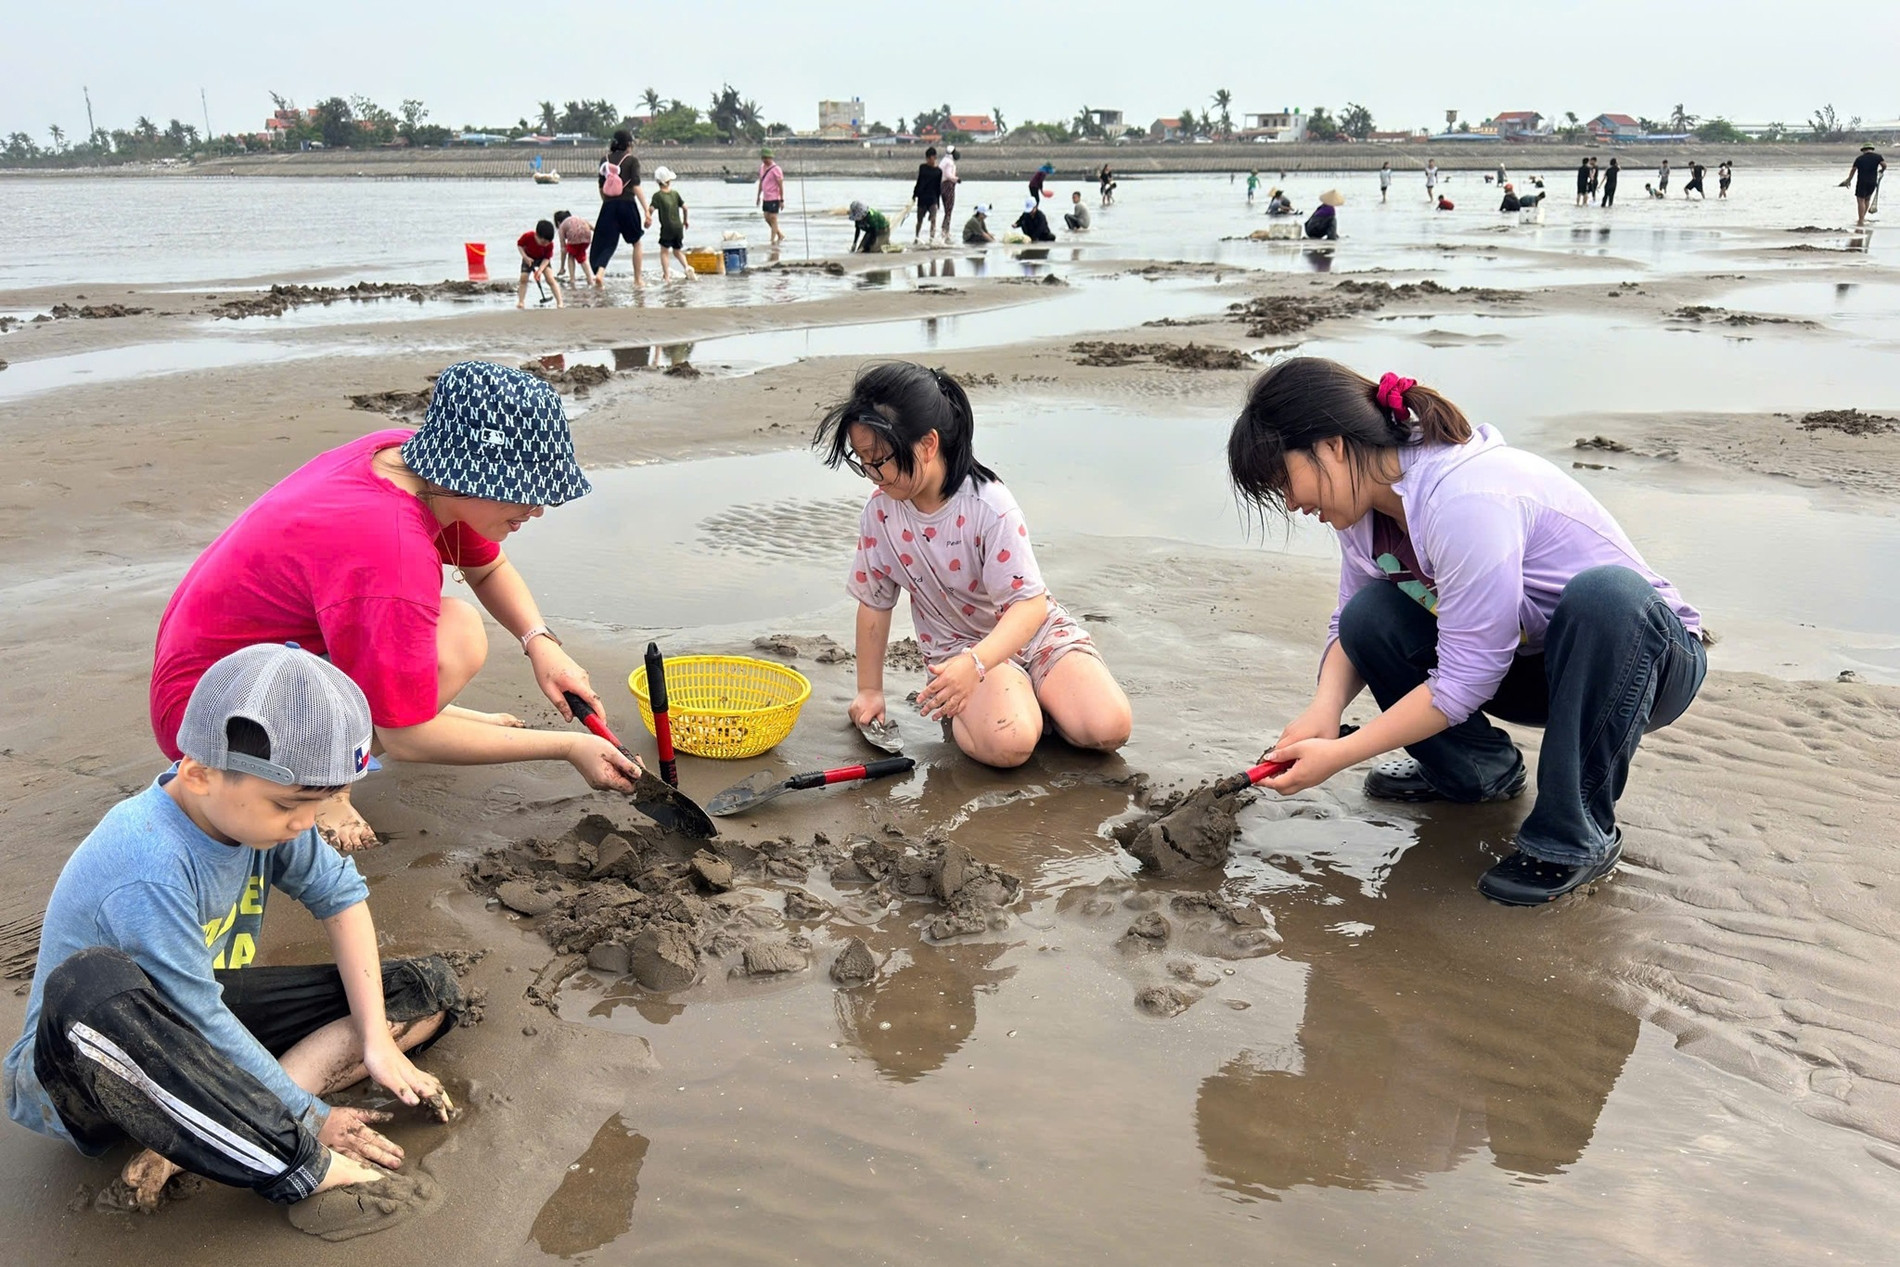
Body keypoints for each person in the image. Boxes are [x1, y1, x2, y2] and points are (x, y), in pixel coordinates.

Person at [7, 645, 469, 1231]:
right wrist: (310, 1115)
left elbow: (343, 900)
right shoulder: (147, 860)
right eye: (289, 805)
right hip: (92, 1069)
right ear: (199, 773)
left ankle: (200, 1131)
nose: (305, 824)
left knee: (422, 988)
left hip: (196, 1017)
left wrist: (377, 1042)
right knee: (92, 978)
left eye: (322, 802)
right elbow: (195, 1014)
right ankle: (293, 1159)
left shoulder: (268, 823)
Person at [1225, 359, 1705, 904]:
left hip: (1640, 667)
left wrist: (1342, 753)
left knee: (1605, 596)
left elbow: (1464, 680)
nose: (1290, 503)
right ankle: (1477, 772)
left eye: (1285, 480)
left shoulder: (1464, 498)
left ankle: (1574, 836)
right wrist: (1324, 711)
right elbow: (1350, 620)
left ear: (1332, 445)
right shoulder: (1362, 509)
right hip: (1529, 667)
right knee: (1371, 616)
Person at [150, 361, 640, 852]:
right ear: (472, 475)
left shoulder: (407, 459)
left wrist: (541, 645)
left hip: (253, 666)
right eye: (524, 492)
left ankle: (387, 719)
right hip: (216, 721)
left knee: (456, 628)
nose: (537, 509)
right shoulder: (390, 549)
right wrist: (571, 746)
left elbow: (488, 569)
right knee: (458, 638)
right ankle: (321, 786)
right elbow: (407, 738)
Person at [816, 362, 1132, 768]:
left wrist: (980, 663)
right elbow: (875, 603)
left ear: (928, 445)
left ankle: (1037, 695)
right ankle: (1015, 706)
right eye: (862, 461)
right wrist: (869, 691)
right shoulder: (882, 515)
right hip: (957, 651)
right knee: (1010, 743)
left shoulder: (989, 506)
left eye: (880, 460)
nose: (872, 476)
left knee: (1110, 727)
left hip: (1034, 638)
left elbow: (1031, 606)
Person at [589, 129, 649, 288]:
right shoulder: (632, 161)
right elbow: (636, 187)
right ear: (628, 144)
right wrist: (646, 211)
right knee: (636, 242)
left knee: (608, 243)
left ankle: (600, 274)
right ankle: (637, 280)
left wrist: (608, 202)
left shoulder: (604, 160)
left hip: (608, 206)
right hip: (627, 204)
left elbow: (601, 188)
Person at [647, 166, 694, 283]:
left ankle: (667, 277)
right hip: (678, 227)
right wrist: (685, 221)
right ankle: (687, 268)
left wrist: (647, 219)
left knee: (664, 251)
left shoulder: (657, 196)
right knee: (677, 251)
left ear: (658, 182)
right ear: (669, 181)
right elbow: (685, 208)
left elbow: (651, 209)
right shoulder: (675, 194)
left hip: (667, 228)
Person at [515, 219, 563, 309]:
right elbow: (519, 245)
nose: (545, 244)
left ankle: (560, 302)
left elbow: (547, 259)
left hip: (543, 259)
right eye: (543, 242)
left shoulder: (549, 244)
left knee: (550, 279)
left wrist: (540, 271)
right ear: (536, 235)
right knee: (523, 279)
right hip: (528, 257)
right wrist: (525, 257)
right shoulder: (528, 236)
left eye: (548, 242)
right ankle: (521, 302)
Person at [1843, 145, 1885, 225]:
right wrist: (1882, 170)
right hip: (1872, 182)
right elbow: (1884, 165)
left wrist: (1849, 180)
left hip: (1862, 182)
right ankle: (1863, 218)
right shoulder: (1878, 157)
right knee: (1867, 199)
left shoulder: (1859, 159)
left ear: (1863, 150)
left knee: (1860, 200)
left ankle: (1861, 220)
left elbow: (1853, 169)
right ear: (1872, 149)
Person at [911, 146, 944, 245]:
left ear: (934, 157)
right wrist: (914, 194)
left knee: (933, 219)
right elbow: (919, 181)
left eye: (931, 158)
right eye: (927, 158)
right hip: (922, 197)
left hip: (933, 198)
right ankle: (916, 238)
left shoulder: (939, 171)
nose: (929, 160)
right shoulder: (923, 167)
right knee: (919, 220)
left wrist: (938, 202)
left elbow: (938, 187)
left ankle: (931, 240)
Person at [552, 210, 592, 287]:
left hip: (575, 237)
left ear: (558, 223)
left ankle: (572, 279)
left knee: (571, 255)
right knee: (582, 257)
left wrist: (562, 267)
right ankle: (589, 279)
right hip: (587, 236)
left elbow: (563, 249)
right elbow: (592, 227)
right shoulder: (578, 218)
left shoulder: (562, 226)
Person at [755, 149, 787, 246]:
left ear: (771, 158)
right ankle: (780, 234)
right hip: (766, 197)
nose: (765, 160)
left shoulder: (776, 169)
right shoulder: (762, 168)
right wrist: (758, 196)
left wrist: (781, 200)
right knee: (766, 217)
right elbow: (761, 182)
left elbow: (780, 184)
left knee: (773, 218)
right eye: (764, 158)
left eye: (767, 158)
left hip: (774, 197)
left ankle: (772, 239)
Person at [937, 147, 961, 245]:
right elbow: (948, 175)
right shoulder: (949, 162)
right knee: (949, 209)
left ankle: (945, 230)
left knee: (947, 210)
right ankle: (945, 231)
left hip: (941, 186)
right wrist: (957, 179)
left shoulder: (944, 161)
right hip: (948, 186)